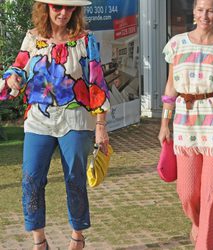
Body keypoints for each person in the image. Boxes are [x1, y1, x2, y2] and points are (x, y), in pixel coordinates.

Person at [0, 0, 110, 249]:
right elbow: (18, 67)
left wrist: (101, 125)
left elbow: (96, 84)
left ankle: (77, 237)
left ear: (76, 11)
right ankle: (39, 241)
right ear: (45, 8)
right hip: (38, 120)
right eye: (57, 7)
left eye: (69, 8)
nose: (63, 12)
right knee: (31, 179)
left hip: (76, 119)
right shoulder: (32, 38)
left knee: (75, 178)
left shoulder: (85, 40)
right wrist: (14, 78)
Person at [158, 0, 213, 249]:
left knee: (210, 196)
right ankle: (198, 224)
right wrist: (165, 123)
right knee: (186, 192)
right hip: (186, 125)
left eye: (210, 10)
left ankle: (205, 243)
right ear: (194, 12)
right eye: (200, 9)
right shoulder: (176, 44)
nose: (204, 15)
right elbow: (170, 87)